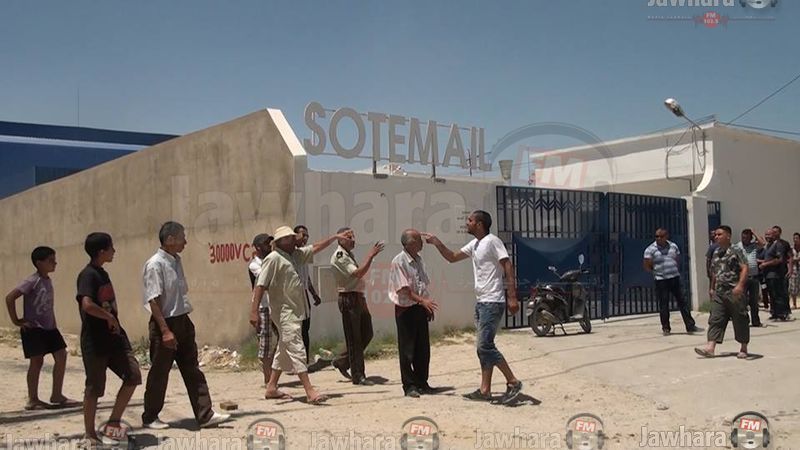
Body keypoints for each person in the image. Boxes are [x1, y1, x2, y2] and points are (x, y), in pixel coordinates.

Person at [423, 210, 523, 405]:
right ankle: (485, 390)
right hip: (482, 302)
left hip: (492, 301)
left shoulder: (493, 241)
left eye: (469, 220)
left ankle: (513, 381)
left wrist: (512, 296)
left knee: (485, 346)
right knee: (484, 348)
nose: (466, 223)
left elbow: (508, 266)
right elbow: (452, 257)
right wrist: (436, 242)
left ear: (479, 224)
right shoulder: (475, 244)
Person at [141, 222, 229, 430]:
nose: (185, 242)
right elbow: (153, 300)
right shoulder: (155, 265)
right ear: (170, 239)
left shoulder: (176, 261)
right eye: (182, 237)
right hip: (166, 322)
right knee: (160, 372)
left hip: (182, 320)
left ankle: (205, 414)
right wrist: (165, 331)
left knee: (192, 369)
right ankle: (150, 416)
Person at [250, 226, 346, 404]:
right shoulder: (273, 258)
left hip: (296, 310)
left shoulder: (296, 255)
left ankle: (271, 387)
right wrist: (254, 311)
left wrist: (334, 237)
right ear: (280, 242)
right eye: (289, 238)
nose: (294, 240)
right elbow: (260, 285)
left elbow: (315, 247)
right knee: (296, 346)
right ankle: (309, 390)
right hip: (283, 311)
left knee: (284, 349)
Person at [76, 233, 142, 445]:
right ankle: (90, 435)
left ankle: (113, 424)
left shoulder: (102, 273)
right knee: (94, 388)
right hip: (96, 341)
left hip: (115, 339)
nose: (114, 251)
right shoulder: (88, 275)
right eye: (111, 247)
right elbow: (87, 305)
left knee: (133, 375)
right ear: (101, 251)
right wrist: (108, 317)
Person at [5, 246, 77, 410]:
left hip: (50, 328)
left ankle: (57, 395)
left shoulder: (47, 280)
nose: (55, 263)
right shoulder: (32, 281)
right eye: (50, 260)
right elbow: (10, 298)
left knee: (61, 355)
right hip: (34, 328)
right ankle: (33, 399)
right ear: (39, 263)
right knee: (37, 361)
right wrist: (16, 321)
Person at [388, 229, 439, 398]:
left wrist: (426, 304)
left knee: (422, 348)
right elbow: (404, 289)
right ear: (410, 243)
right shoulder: (399, 261)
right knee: (407, 349)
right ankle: (409, 385)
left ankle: (422, 382)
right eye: (418, 240)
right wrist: (422, 301)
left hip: (419, 306)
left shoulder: (418, 260)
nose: (422, 243)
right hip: (406, 309)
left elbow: (422, 284)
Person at [330, 227, 384, 386]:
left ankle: (342, 361)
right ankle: (358, 375)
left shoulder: (348, 254)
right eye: (348, 237)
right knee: (354, 338)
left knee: (367, 333)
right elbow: (358, 273)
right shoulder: (340, 256)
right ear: (340, 239)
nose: (353, 239)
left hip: (357, 297)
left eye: (353, 236)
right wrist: (370, 256)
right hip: (349, 298)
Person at [694, 226, 750, 359]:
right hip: (719, 291)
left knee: (740, 318)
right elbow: (715, 272)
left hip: (734, 291)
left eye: (719, 234)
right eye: (716, 235)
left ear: (728, 236)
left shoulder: (736, 250)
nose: (716, 237)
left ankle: (743, 347)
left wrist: (740, 285)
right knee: (716, 318)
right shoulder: (716, 252)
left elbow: (745, 268)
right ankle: (710, 347)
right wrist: (712, 288)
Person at [643, 228, 700, 336]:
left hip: (674, 278)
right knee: (664, 304)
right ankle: (666, 328)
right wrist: (656, 272)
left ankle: (690, 325)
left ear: (666, 236)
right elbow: (647, 265)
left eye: (661, 236)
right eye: (656, 236)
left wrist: (672, 268)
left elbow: (676, 259)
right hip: (661, 280)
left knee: (682, 302)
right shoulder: (650, 249)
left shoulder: (673, 246)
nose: (658, 238)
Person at [248, 233, 279, 386]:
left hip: (275, 306)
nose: (270, 246)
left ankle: (272, 372)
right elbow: (267, 280)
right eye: (267, 244)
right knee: (265, 344)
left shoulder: (272, 260)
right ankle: (268, 379)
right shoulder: (255, 265)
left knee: (283, 339)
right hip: (264, 307)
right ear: (258, 247)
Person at [293, 225, 323, 367]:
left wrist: (314, 294)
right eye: (302, 235)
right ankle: (295, 361)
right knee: (296, 330)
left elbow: (306, 276)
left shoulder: (304, 253)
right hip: (294, 296)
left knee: (305, 328)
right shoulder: (292, 253)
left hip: (304, 294)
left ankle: (304, 361)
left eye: (307, 236)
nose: (305, 238)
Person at [734, 229, 765, 328]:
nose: (744, 239)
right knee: (742, 301)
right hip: (742, 277)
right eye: (743, 237)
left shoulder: (754, 246)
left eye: (747, 237)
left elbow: (762, 243)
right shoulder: (737, 246)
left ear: (751, 238)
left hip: (754, 277)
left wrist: (754, 232)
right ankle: (744, 320)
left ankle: (756, 321)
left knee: (754, 301)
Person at [759, 228, 790, 321]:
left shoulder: (778, 245)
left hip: (775, 274)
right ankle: (774, 313)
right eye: (766, 235)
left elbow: (779, 259)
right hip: (768, 274)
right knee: (772, 295)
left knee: (777, 294)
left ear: (774, 235)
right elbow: (768, 258)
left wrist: (765, 264)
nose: (767, 236)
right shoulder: (768, 246)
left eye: (769, 234)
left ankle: (781, 314)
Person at [789, 233, 800, 310]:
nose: (795, 240)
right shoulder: (791, 249)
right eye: (794, 238)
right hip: (794, 269)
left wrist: (794, 260)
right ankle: (794, 303)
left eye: (797, 238)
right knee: (793, 287)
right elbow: (789, 259)